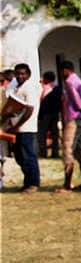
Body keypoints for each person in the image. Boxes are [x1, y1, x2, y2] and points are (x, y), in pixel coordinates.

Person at [4, 64, 41, 193]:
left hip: (26, 127)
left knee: (28, 156)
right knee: (19, 156)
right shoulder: (15, 87)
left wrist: (17, 126)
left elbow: (29, 109)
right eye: (18, 73)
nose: (20, 76)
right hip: (15, 127)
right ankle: (27, 181)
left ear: (28, 74)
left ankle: (34, 183)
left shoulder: (29, 88)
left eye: (23, 73)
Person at [57, 61, 81, 193]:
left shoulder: (70, 82)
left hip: (74, 118)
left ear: (65, 70)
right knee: (80, 149)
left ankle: (67, 184)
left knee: (68, 148)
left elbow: (78, 103)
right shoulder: (78, 80)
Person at [37, 70, 61, 158]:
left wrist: (39, 116)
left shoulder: (45, 89)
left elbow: (42, 103)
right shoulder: (58, 88)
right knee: (55, 134)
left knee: (42, 134)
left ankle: (43, 152)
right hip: (55, 114)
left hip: (45, 114)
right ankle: (55, 152)